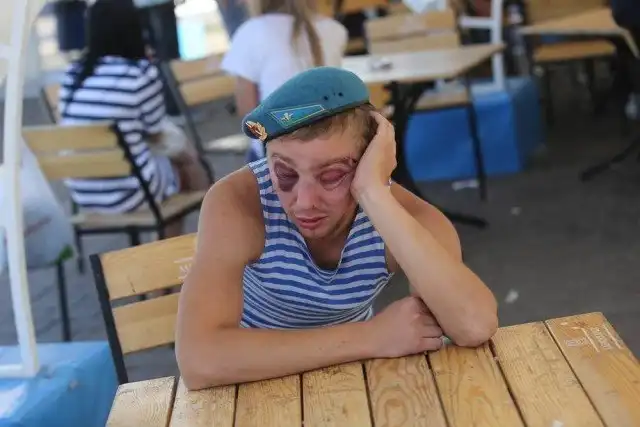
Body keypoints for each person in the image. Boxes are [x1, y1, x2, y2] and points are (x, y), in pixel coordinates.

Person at [175, 67, 498, 390]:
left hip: (346, 383)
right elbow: (200, 360)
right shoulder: (239, 201)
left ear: (371, 160)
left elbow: (473, 325)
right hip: (246, 384)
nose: (304, 201)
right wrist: (371, 337)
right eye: (285, 174)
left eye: (331, 176)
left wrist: (373, 193)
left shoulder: (401, 214)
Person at [58, 0, 209, 227]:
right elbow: (156, 134)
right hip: (132, 193)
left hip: (84, 192)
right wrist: (189, 156)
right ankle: (181, 243)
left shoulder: (73, 74)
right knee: (188, 165)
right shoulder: (139, 73)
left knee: (169, 159)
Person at [220, 0, 348, 162]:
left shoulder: (251, 31)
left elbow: (247, 108)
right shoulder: (335, 30)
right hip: (331, 145)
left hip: (276, 154)